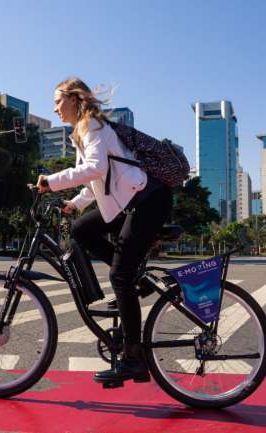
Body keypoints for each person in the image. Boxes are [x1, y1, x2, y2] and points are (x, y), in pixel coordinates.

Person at [36, 78, 173, 384]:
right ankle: (136, 276)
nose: (55, 108)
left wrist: (50, 181)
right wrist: (74, 203)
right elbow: (95, 179)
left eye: (58, 101)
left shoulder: (92, 126)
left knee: (119, 276)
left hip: (148, 199)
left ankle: (134, 359)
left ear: (74, 99)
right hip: (131, 200)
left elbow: (95, 169)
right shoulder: (83, 132)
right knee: (82, 230)